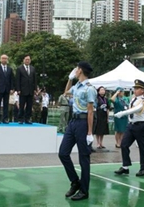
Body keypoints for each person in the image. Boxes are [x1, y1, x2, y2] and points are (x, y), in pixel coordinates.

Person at [58, 62, 96, 201]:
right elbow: (66, 93)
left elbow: (91, 112)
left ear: (81, 70)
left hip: (83, 122)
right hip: (73, 122)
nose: (75, 70)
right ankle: (75, 181)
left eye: (77, 69)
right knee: (63, 153)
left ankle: (84, 190)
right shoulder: (77, 86)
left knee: (83, 158)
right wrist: (70, 79)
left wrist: (90, 132)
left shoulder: (89, 89)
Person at [114, 80, 144, 177]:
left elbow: (137, 109)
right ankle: (125, 167)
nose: (135, 90)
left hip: (140, 125)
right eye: (135, 88)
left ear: (142, 90)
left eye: (137, 88)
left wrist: (123, 113)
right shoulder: (133, 98)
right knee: (124, 145)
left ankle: (143, 168)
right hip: (132, 125)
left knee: (142, 148)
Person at [0, 55, 14, 124]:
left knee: (6, 104)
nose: (4, 60)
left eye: (5, 59)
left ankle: (5, 118)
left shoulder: (10, 69)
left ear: (7, 60)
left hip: (7, 89)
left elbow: (12, 80)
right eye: (3, 58)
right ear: (0, 59)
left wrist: (12, 88)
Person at [16, 55, 37, 124]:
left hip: (30, 90)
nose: (27, 61)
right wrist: (18, 89)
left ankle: (27, 118)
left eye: (28, 59)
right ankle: (20, 118)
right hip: (22, 90)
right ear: (23, 60)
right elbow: (18, 80)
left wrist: (35, 89)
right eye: (26, 59)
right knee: (22, 105)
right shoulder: (19, 68)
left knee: (29, 105)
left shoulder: (32, 68)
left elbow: (34, 80)